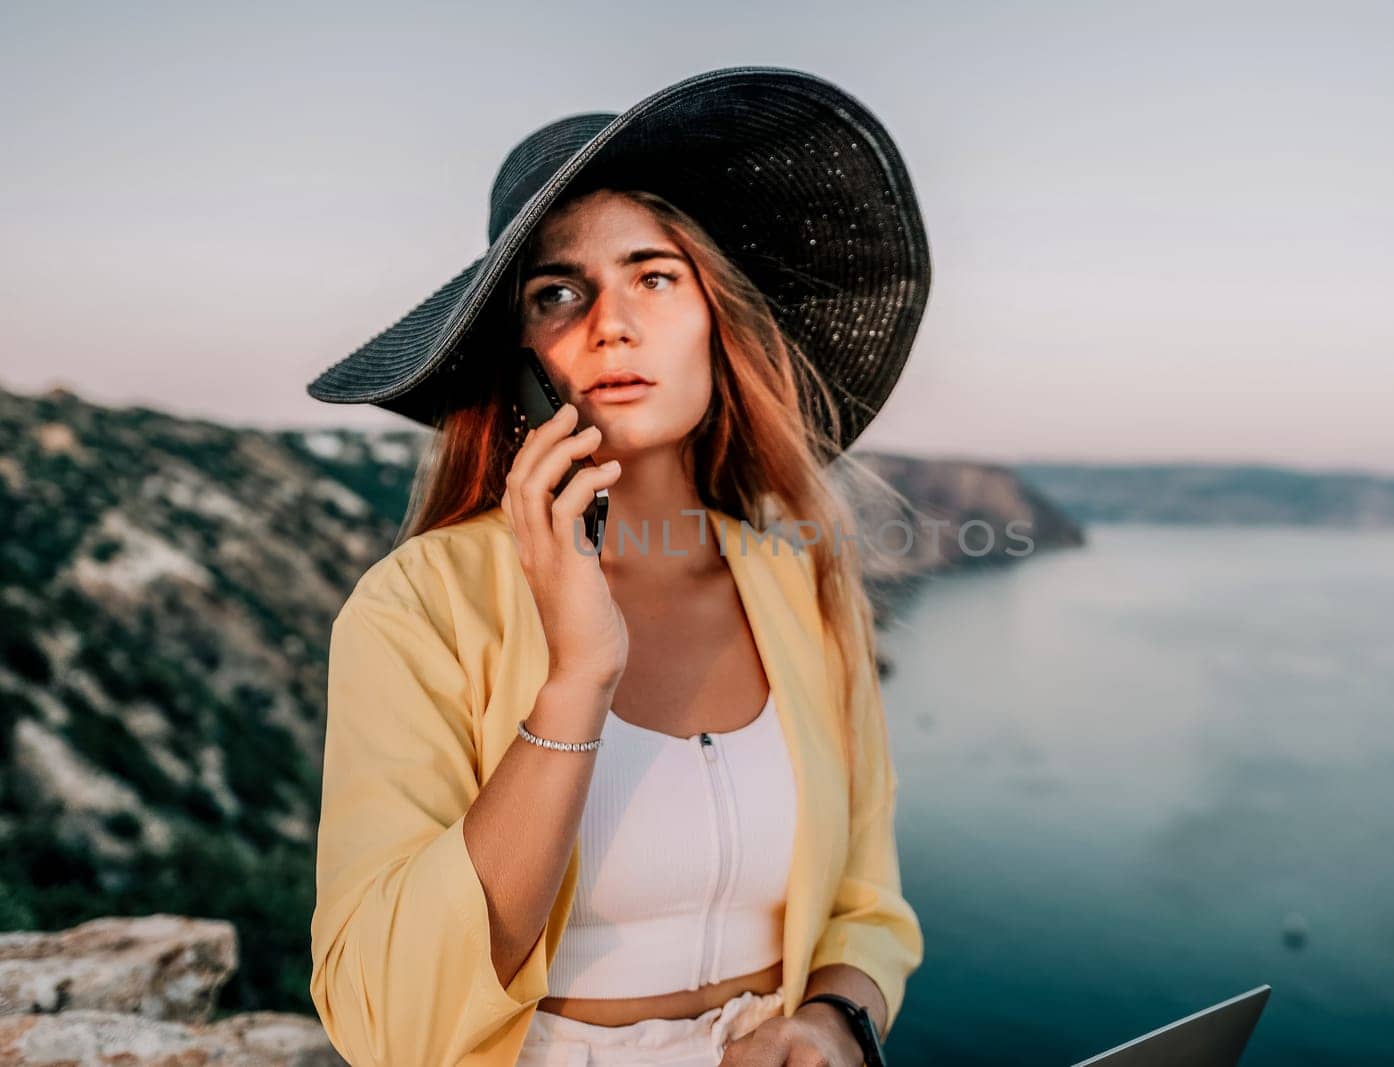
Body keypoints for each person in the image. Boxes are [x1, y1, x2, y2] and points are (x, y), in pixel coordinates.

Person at [305, 67, 931, 1067]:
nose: (612, 323)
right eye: (558, 292)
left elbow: (869, 901)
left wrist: (833, 1019)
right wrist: (575, 678)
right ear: (517, 356)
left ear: (715, 321)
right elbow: (387, 1018)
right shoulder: (417, 605)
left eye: (653, 275)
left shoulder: (802, 585)